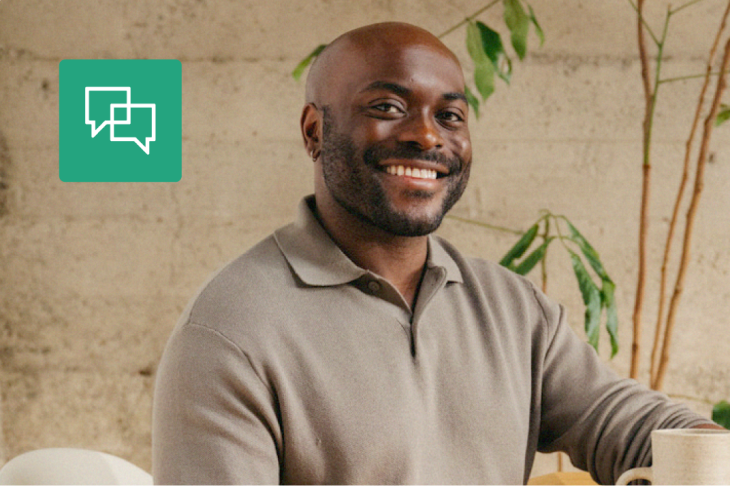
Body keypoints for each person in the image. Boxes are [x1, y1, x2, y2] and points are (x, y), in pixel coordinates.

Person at [152, 22, 721, 486]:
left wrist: (710, 450)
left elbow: (626, 425)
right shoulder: (228, 334)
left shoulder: (513, 310)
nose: (427, 136)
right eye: (388, 106)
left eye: (450, 115)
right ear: (313, 131)